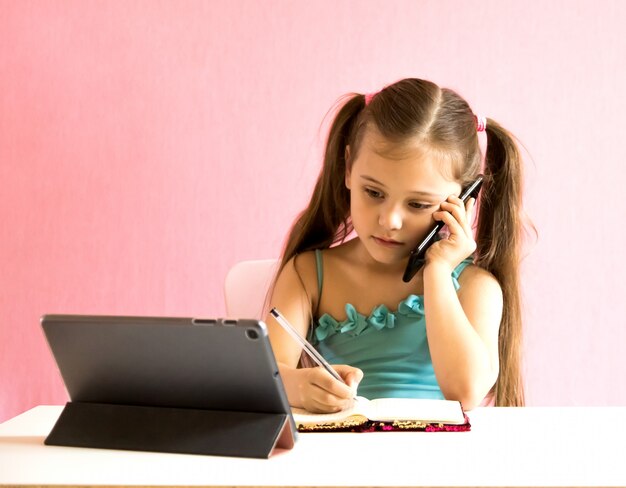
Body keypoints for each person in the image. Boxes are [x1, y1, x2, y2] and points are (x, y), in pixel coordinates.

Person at [266, 78, 527, 413]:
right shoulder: (308, 274)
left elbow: (465, 393)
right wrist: (297, 387)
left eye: (417, 205)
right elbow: (267, 375)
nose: (389, 220)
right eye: (373, 193)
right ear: (348, 168)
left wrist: (438, 272)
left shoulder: (476, 288)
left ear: (463, 202)